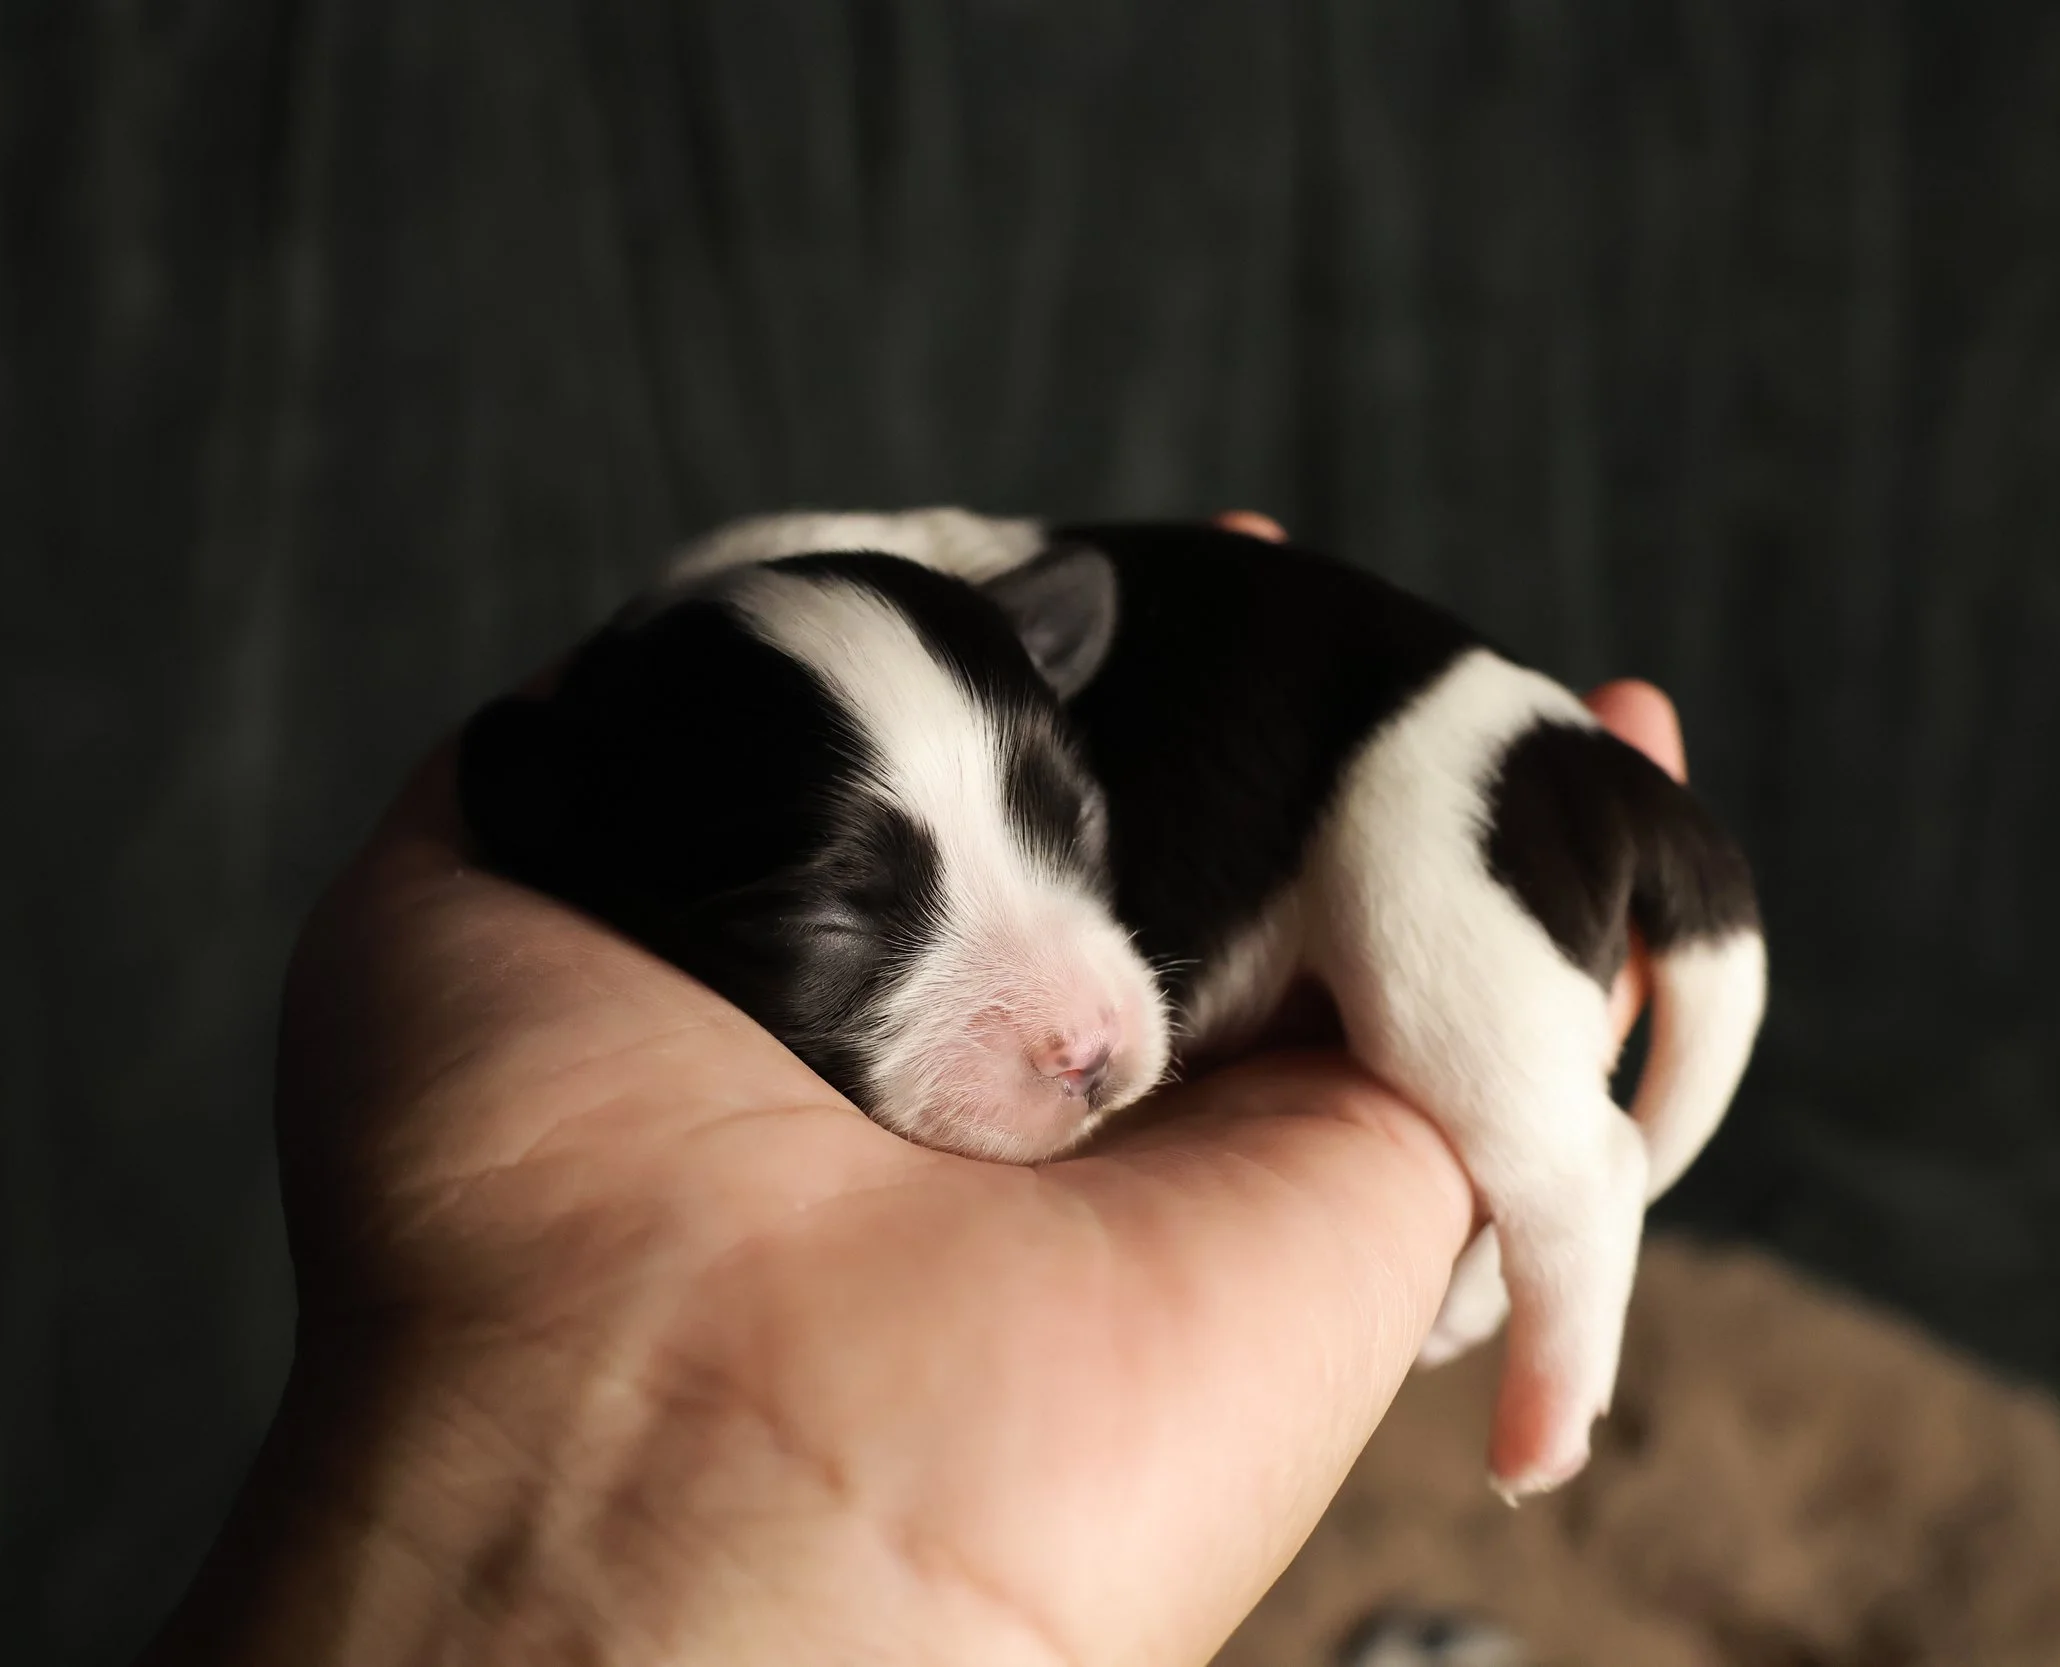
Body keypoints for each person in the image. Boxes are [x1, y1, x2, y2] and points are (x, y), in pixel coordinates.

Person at [138, 514, 1688, 1666]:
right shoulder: (602, 789)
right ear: (566, 831)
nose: (1082, 1026)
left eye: (1060, 824)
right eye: (841, 918)